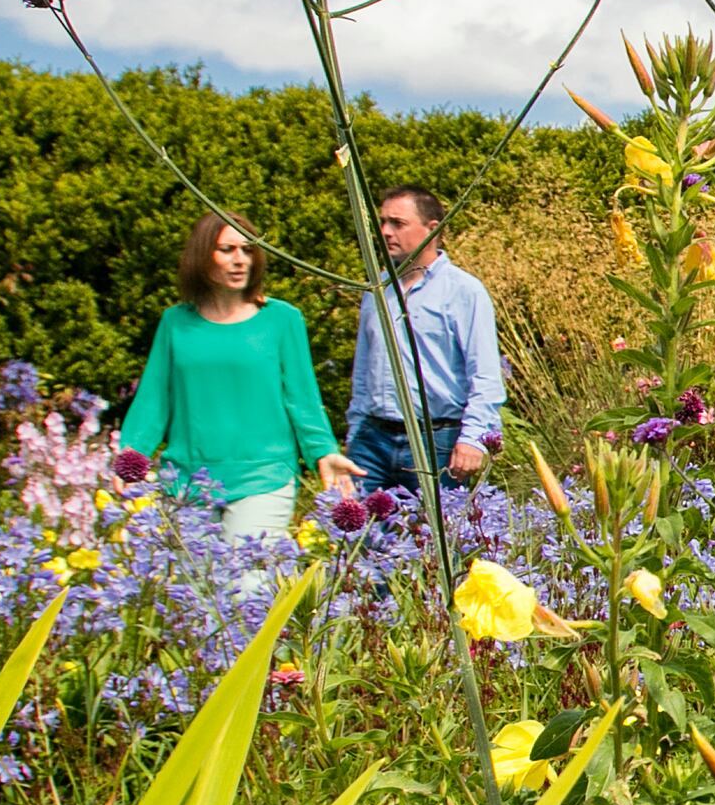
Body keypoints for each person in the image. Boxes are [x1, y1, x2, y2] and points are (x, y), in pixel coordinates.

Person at [115, 213, 334, 542]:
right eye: (227, 249)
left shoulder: (282, 320)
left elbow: (302, 399)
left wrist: (324, 452)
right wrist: (133, 455)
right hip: (186, 481)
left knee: (248, 590)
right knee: (192, 592)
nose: (240, 260)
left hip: (264, 478)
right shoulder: (176, 323)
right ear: (203, 257)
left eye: (247, 250)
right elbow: (155, 399)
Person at [325, 184, 502, 508]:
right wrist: (355, 434)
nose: (384, 232)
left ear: (431, 229)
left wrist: (472, 438)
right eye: (382, 222)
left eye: (397, 223)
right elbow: (363, 371)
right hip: (372, 442)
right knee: (354, 545)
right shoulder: (376, 291)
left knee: (435, 547)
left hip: (437, 442)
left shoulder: (464, 292)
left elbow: (486, 375)